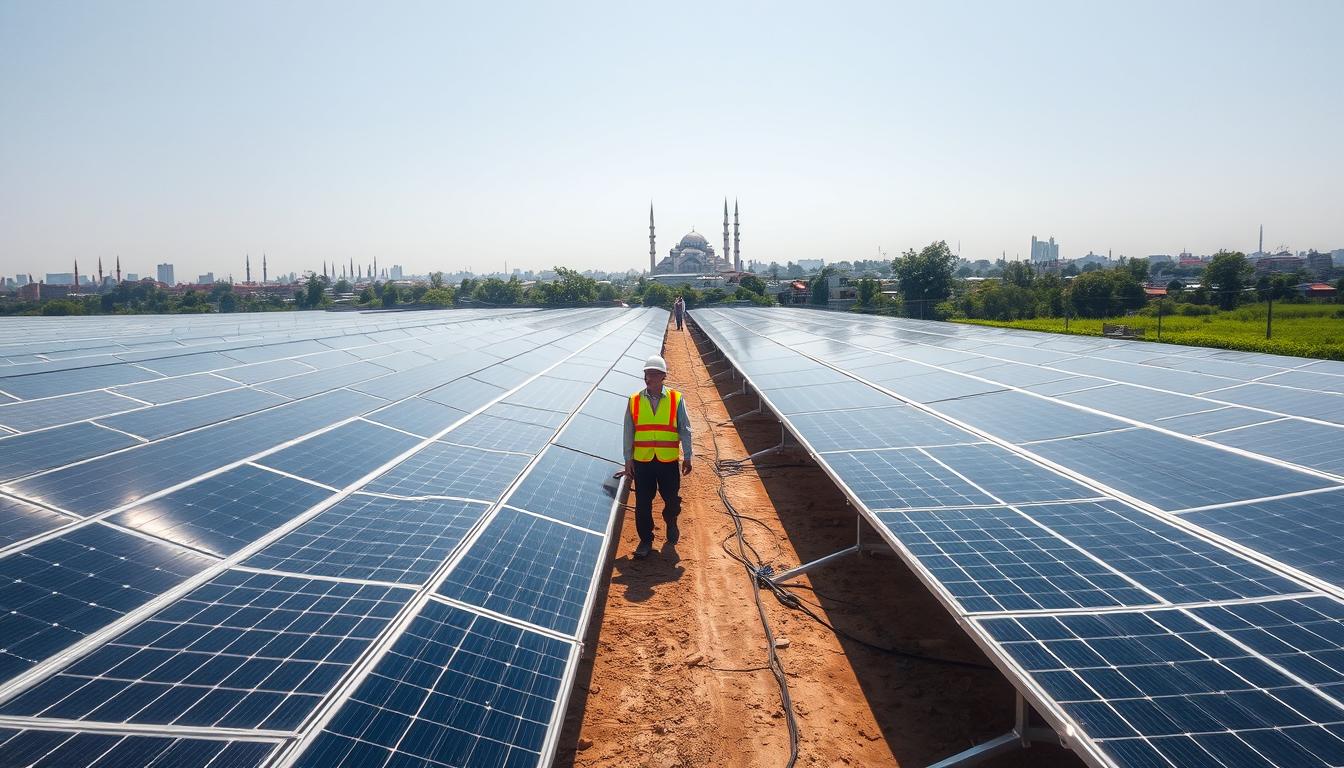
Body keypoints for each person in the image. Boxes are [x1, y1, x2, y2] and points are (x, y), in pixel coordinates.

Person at [623, 354, 692, 558]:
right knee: (642, 502)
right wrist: (628, 459)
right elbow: (628, 431)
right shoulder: (634, 400)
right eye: (646, 374)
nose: (648, 378)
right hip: (642, 461)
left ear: (663, 376)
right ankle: (645, 540)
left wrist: (688, 455)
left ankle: (671, 522)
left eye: (653, 374)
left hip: (667, 460)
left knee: (671, 499)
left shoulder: (676, 399)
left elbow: (685, 428)